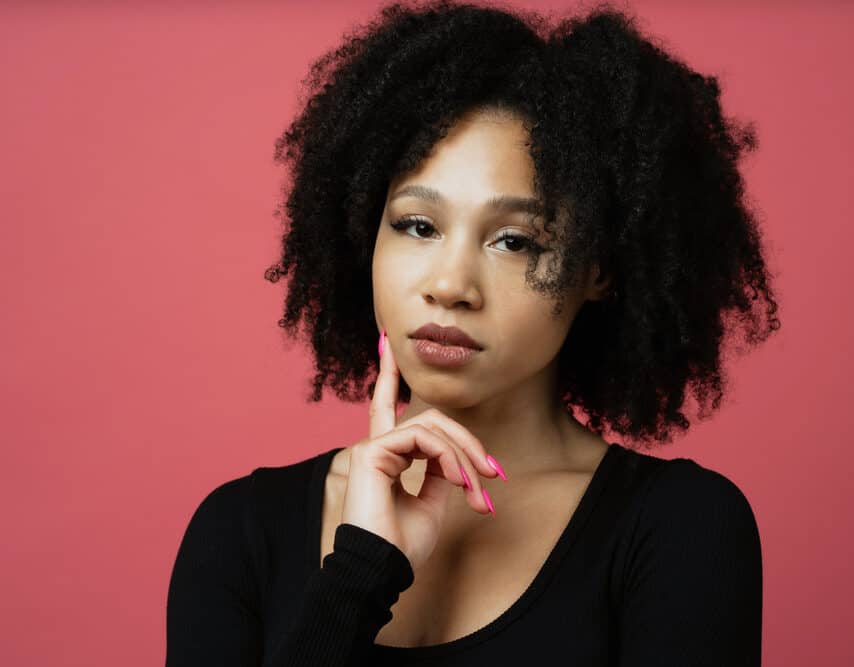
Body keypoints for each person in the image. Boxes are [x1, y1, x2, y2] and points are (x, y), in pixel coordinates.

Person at [165, 1, 780, 665]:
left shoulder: (682, 529)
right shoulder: (240, 532)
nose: (451, 283)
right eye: (417, 225)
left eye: (514, 240)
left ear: (598, 270)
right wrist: (357, 574)